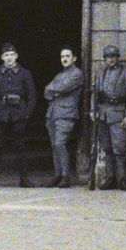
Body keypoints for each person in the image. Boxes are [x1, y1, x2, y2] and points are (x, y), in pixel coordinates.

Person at [0, 41, 37, 188]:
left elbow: (32, 96)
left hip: (19, 114)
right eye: (6, 55)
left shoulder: (25, 73)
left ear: (17, 56)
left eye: (12, 54)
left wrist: (26, 114)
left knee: (20, 147)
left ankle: (24, 179)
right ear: (2, 57)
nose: (9, 58)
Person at [94, 43, 126, 190]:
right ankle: (110, 179)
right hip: (103, 114)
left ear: (118, 57)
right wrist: (92, 110)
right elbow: (95, 93)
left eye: (113, 56)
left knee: (119, 148)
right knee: (107, 148)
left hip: (119, 113)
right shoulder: (102, 73)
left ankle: (122, 179)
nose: (110, 59)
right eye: (107, 57)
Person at [43, 46, 84, 187]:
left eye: (67, 56)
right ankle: (58, 174)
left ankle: (66, 176)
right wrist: (54, 90)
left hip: (66, 114)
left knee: (60, 143)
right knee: (55, 145)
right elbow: (46, 92)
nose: (64, 59)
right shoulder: (59, 75)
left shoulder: (76, 73)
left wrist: (54, 90)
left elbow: (63, 88)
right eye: (62, 57)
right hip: (53, 113)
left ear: (74, 58)